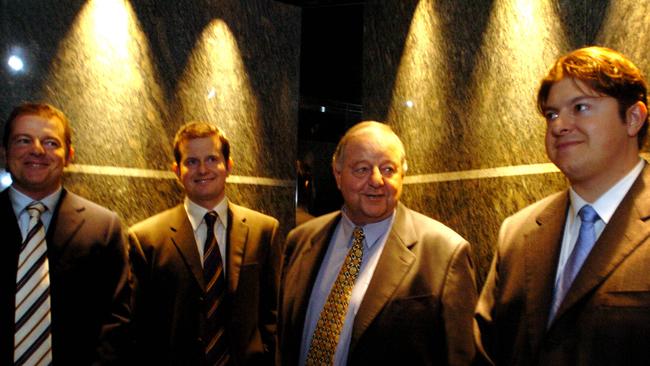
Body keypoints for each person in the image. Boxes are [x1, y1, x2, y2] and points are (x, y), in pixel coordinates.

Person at [475, 46, 650, 365]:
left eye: (581, 107)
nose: (559, 125)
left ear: (633, 118)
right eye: (552, 114)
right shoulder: (516, 234)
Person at [279, 121, 478, 365]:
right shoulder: (301, 241)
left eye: (388, 169)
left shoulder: (446, 254)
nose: (376, 180)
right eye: (362, 169)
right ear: (338, 174)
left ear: (402, 176)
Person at [128, 121, 282, 365]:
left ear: (228, 166)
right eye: (191, 161)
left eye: (212, 159)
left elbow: (273, 315)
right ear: (177, 170)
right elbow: (139, 327)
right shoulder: (146, 239)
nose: (202, 169)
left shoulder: (264, 231)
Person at [0, 102, 131, 365]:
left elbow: (117, 321)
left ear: (69, 155)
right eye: (24, 140)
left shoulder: (104, 227)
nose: (37, 150)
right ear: (4, 153)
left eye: (50, 143)